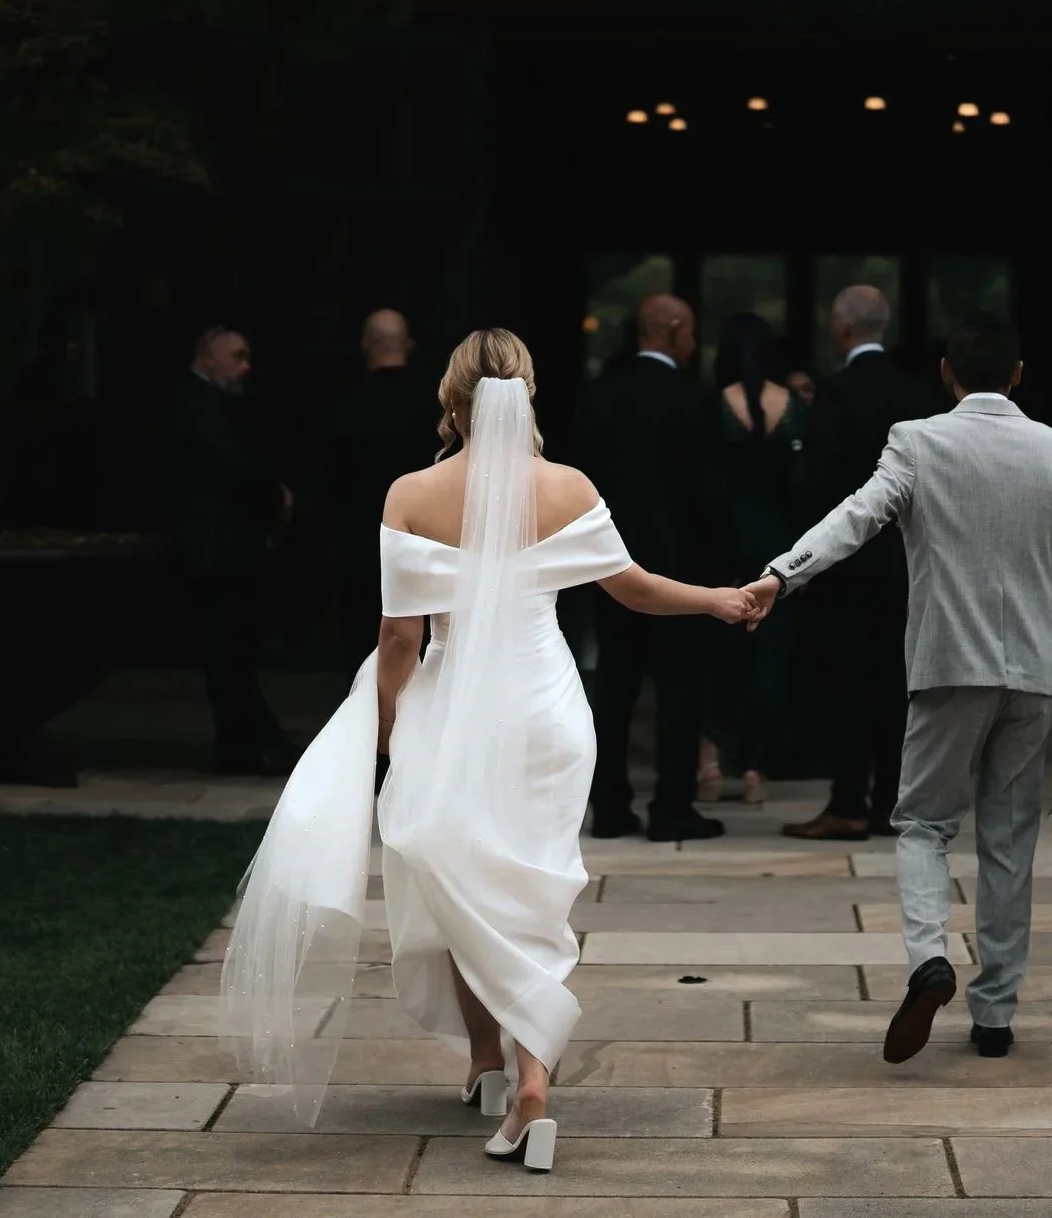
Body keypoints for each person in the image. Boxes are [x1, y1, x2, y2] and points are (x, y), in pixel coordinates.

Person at [220, 328, 755, 1171]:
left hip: (455, 705)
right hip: (546, 712)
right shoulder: (568, 485)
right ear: (529, 394)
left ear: (451, 396)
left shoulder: (411, 492)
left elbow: (400, 636)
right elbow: (634, 587)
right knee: (530, 891)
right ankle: (508, 1071)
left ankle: (506, 1072)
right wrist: (719, 600)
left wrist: (388, 727)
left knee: (457, 880)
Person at [742, 315, 1052, 1064]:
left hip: (948, 666)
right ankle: (996, 1014)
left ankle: (928, 959)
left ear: (946, 370)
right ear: (1017, 372)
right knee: (1008, 841)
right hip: (1033, 677)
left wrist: (783, 572)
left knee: (920, 823)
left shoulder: (917, 440)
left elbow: (858, 516)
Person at [780, 285, 945, 841]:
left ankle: (849, 801)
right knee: (898, 686)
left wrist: (803, 560)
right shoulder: (920, 391)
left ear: (843, 329)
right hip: (909, 565)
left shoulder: (837, 392)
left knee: (846, 686)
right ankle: (891, 801)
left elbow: (819, 483)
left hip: (848, 567)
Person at [567, 292, 727, 841]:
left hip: (609, 566)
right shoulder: (694, 399)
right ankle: (671, 806)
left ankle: (609, 805)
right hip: (680, 571)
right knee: (680, 692)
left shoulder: (599, 395)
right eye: (692, 330)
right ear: (675, 329)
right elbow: (709, 494)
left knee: (614, 687)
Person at [168, 326, 296, 774]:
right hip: (215, 553)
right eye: (237, 356)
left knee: (231, 654)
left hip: (222, 551)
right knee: (229, 654)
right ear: (209, 356)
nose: (246, 366)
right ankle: (247, 745)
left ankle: (244, 744)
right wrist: (272, 494)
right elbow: (228, 464)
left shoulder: (205, 403)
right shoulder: (196, 403)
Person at [701, 311, 807, 806]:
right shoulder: (792, 406)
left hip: (720, 543)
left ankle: (710, 759)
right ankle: (757, 768)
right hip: (777, 545)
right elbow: (805, 483)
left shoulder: (713, 404)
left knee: (716, 656)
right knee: (771, 657)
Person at [319, 309, 434, 652]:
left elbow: (330, 478)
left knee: (363, 640)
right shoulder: (435, 404)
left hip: (361, 539)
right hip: (423, 539)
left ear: (366, 344)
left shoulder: (343, 404)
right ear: (409, 344)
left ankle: (370, 705)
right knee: (422, 641)